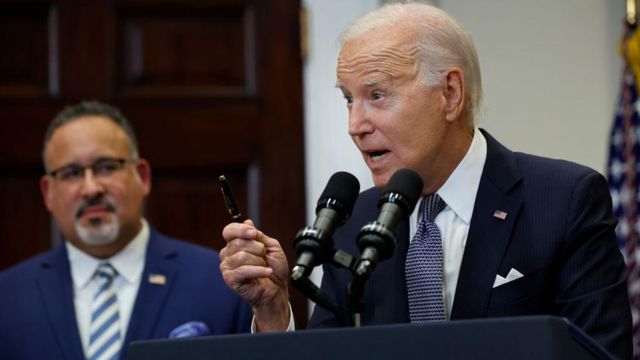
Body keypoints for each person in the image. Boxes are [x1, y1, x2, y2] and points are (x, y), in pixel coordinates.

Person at [219, 3, 633, 359]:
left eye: (376, 95)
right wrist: (274, 311)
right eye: (348, 98)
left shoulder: (563, 200)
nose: (355, 125)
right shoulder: (354, 220)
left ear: (450, 93)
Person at [0, 101, 252, 359]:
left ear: (142, 177)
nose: (91, 189)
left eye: (106, 167)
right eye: (71, 173)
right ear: (48, 193)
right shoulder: (7, 297)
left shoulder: (221, 281)